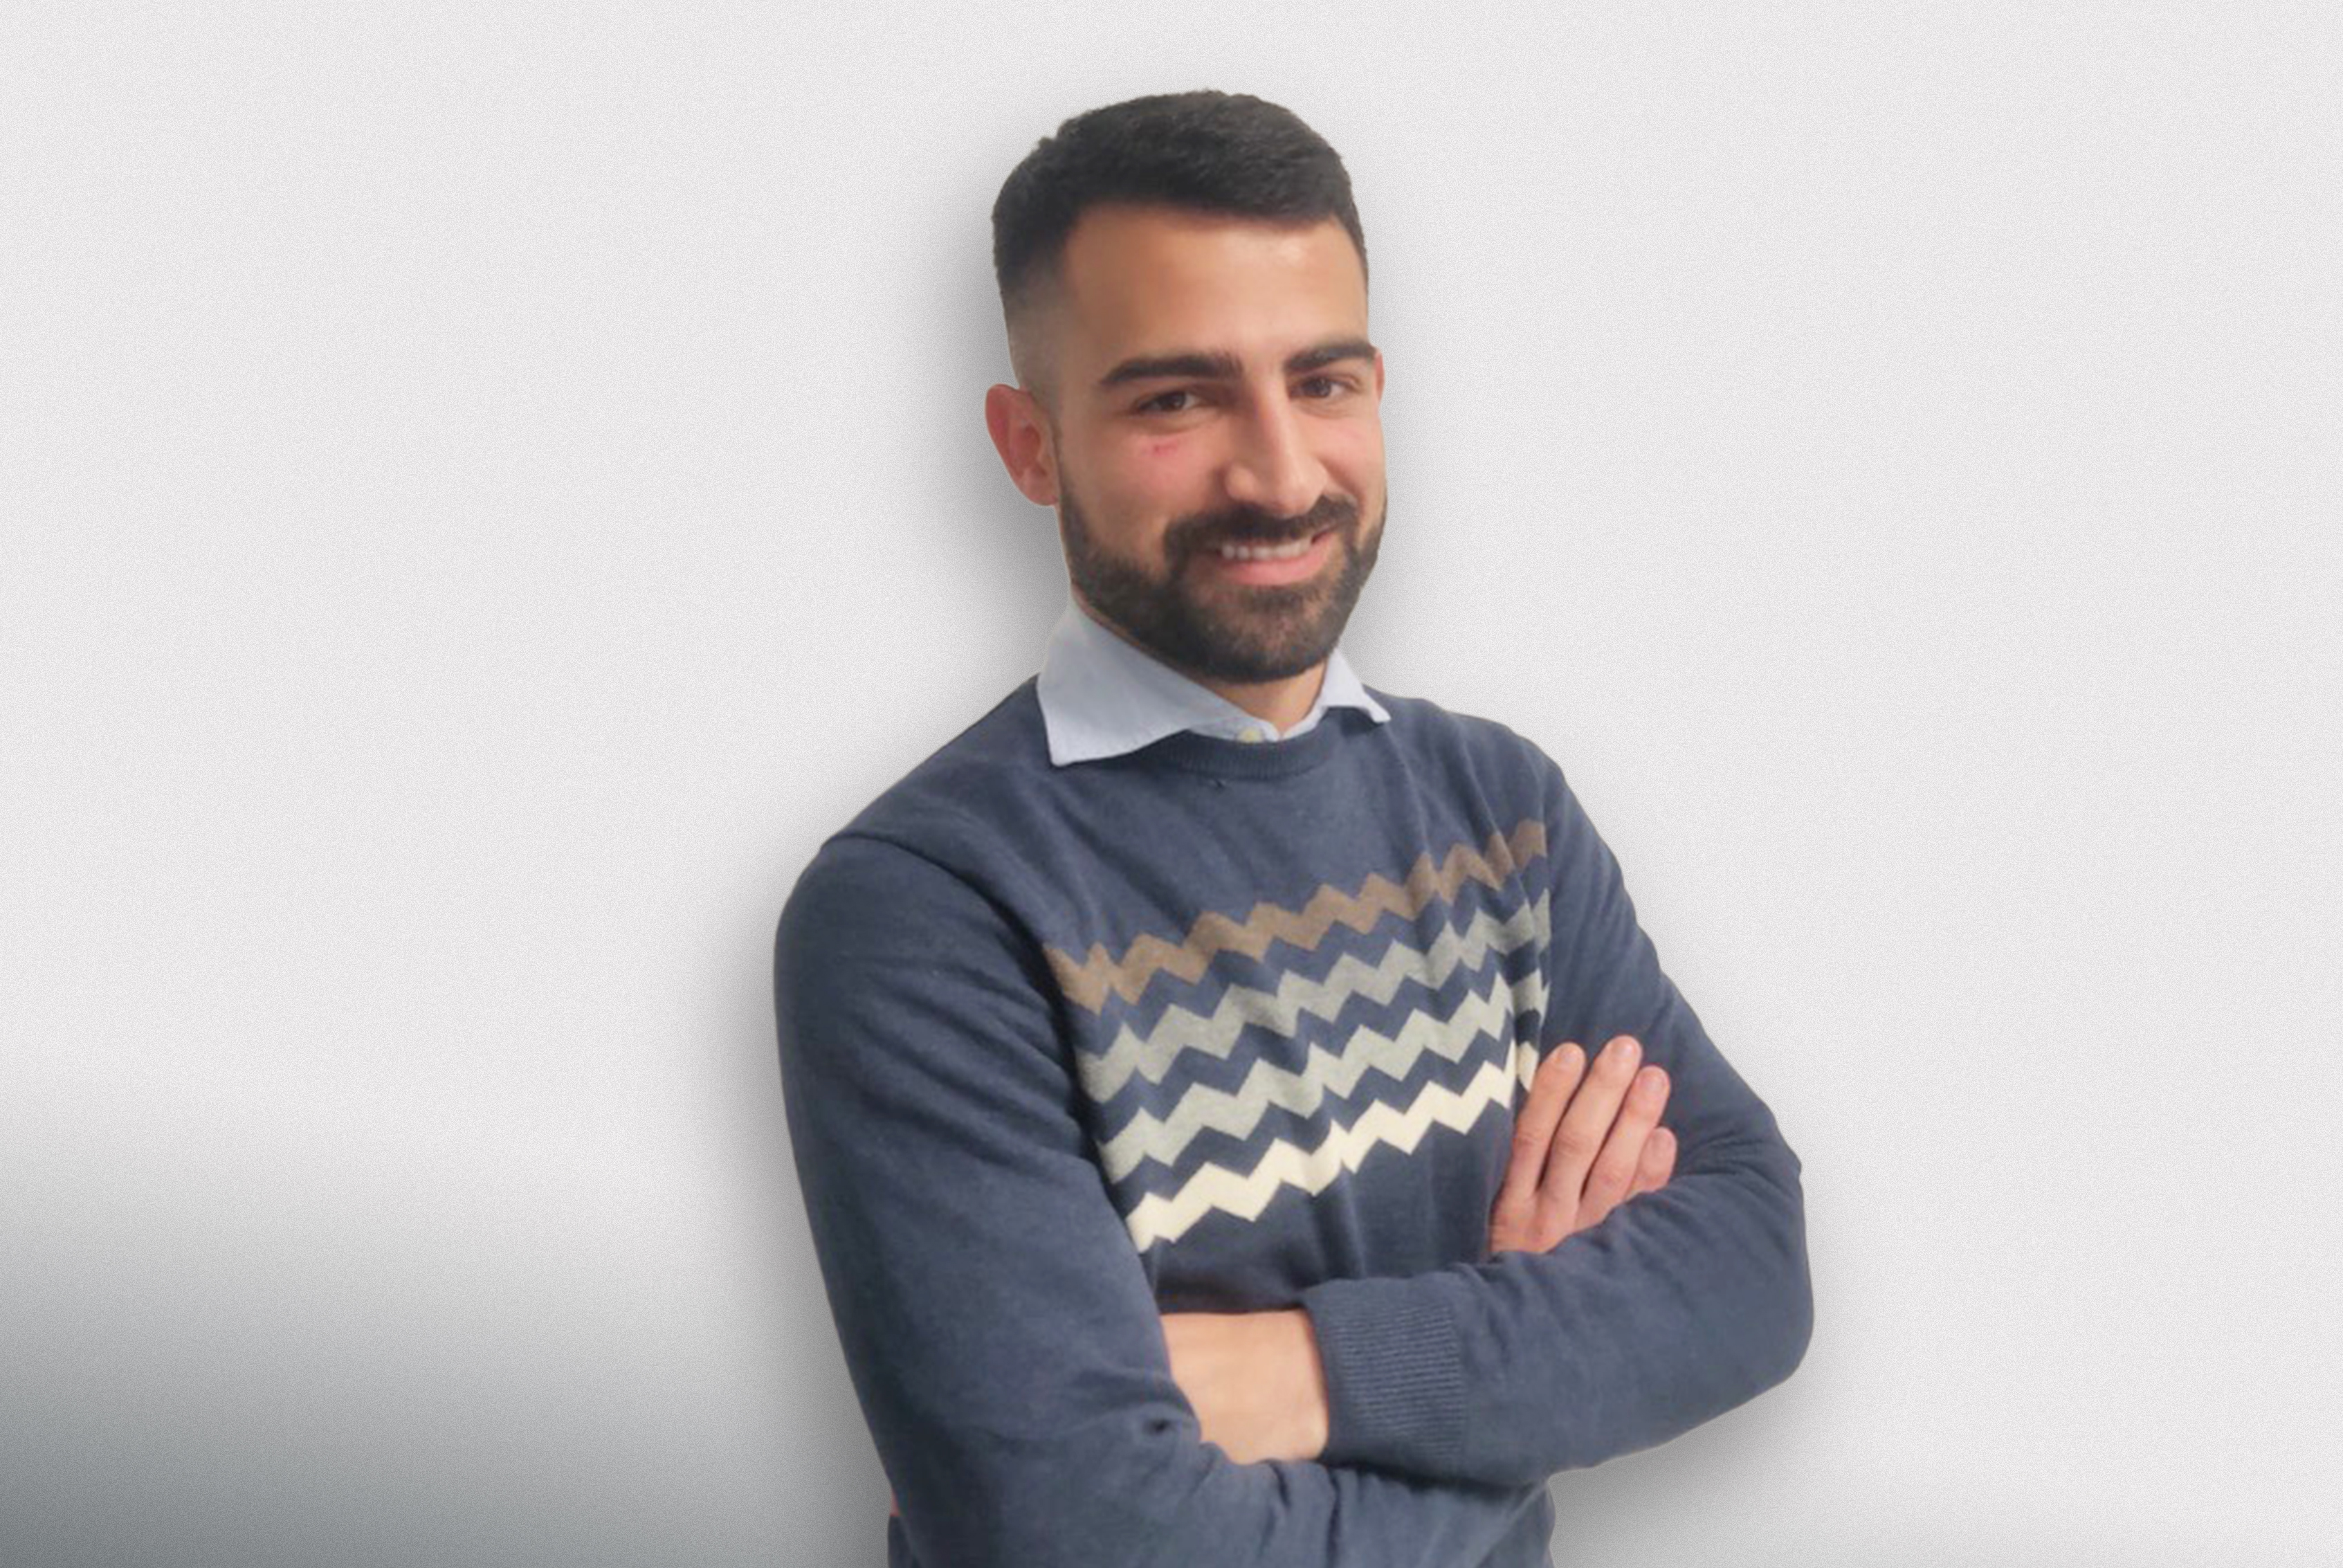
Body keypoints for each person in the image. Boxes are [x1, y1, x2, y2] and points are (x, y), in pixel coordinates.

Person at [772, 90, 1812, 1568]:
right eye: (1175, 401)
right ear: (1029, 444)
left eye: (1321, 382)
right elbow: (1081, 1535)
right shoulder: (925, 908)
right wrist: (1522, 1388)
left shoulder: (1502, 811)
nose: (1278, 473)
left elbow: (1751, 1266)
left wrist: (1302, 1371)